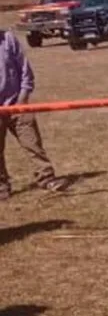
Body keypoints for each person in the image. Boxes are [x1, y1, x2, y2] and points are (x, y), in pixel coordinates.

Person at [0, 31, 69, 200]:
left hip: (18, 102)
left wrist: (23, 98)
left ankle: (47, 178)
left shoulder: (8, 38)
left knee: (32, 143)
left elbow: (24, 69)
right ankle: (1, 186)